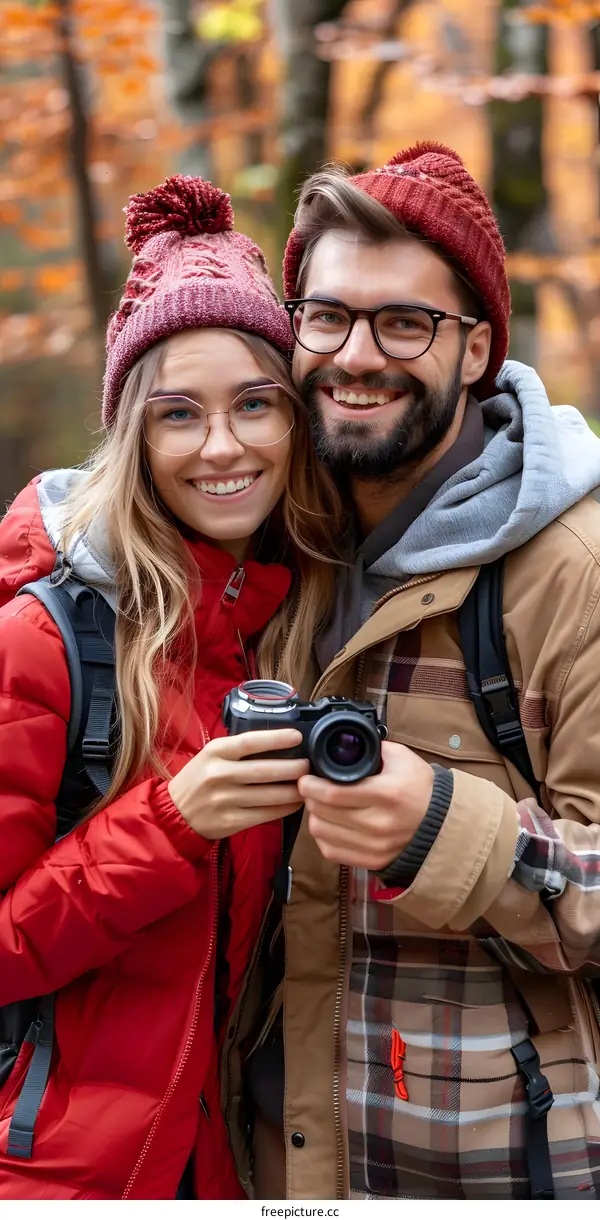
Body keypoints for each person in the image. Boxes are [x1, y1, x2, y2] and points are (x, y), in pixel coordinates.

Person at [227, 143, 600, 1201]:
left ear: (476, 347)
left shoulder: (572, 572)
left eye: (406, 323)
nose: (355, 354)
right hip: (275, 1159)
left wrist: (445, 827)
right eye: (328, 314)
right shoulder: (267, 549)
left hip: (490, 1169)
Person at [0, 174, 342, 1200]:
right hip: (60, 1174)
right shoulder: (44, 637)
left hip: (236, 1163)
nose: (223, 446)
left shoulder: (301, 614)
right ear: (134, 437)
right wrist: (168, 824)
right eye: (179, 414)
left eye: (255, 405)